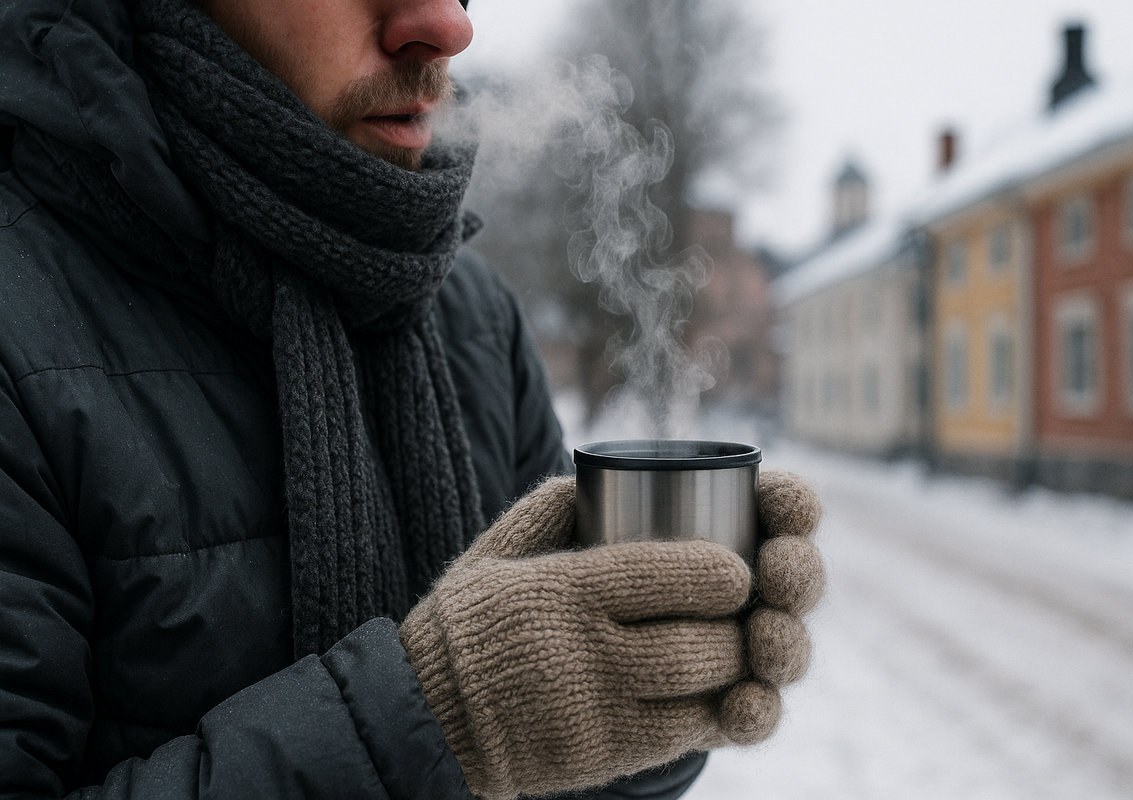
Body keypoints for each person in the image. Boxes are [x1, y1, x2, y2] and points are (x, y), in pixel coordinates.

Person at [0, 0, 826, 798]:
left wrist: (642, 699)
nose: (446, 24)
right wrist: (439, 722)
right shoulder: (19, 325)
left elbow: (562, 775)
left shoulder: (472, 314)